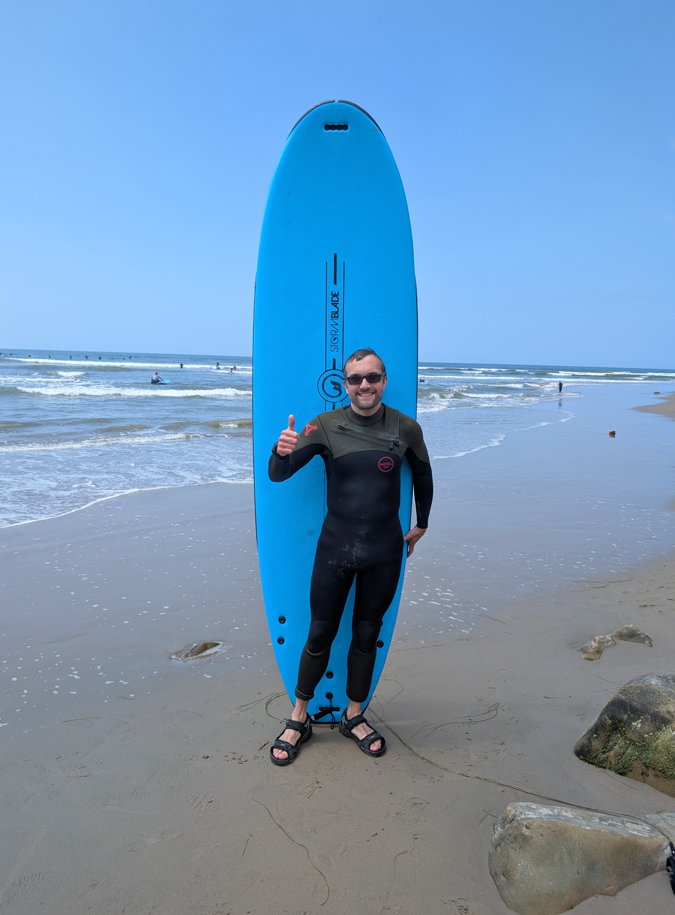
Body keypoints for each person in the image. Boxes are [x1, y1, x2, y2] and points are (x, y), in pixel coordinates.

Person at [268, 348, 433, 765]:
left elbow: (424, 475)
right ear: (345, 384)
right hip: (335, 551)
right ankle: (298, 717)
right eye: (356, 379)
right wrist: (280, 451)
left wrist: (422, 524)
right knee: (320, 632)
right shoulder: (323, 425)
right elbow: (279, 474)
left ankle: (354, 715)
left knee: (366, 634)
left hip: (384, 552)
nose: (365, 385)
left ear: (384, 381)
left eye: (373, 377)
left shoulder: (406, 427)